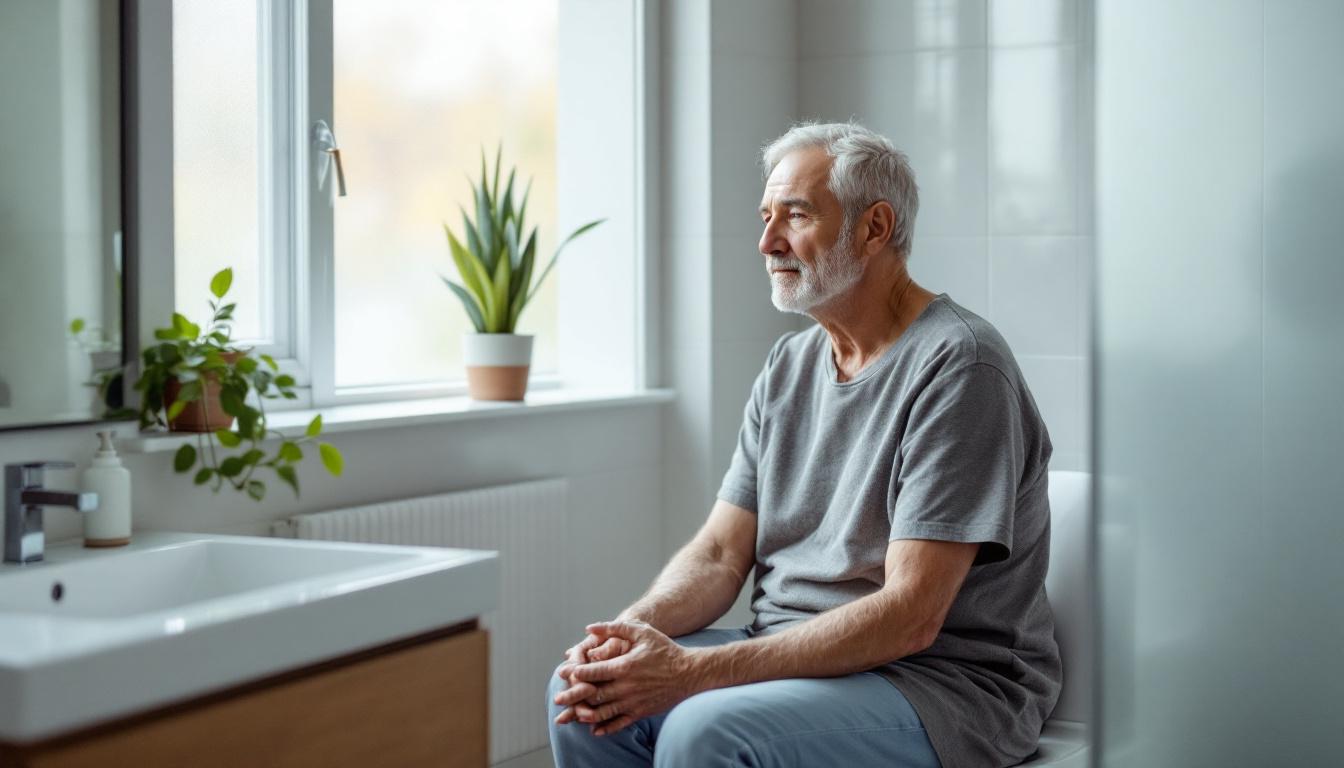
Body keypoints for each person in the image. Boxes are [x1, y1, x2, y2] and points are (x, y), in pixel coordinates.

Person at [547, 122, 1061, 768]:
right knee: (585, 700)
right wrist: (629, 634)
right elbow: (715, 554)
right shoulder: (788, 365)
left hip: (940, 685)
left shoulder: (962, 367)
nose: (767, 242)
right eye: (765, 217)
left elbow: (912, 615)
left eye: (794, 216)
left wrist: (693, 674)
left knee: (704, 730)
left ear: (874, 229)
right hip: (791, 654)